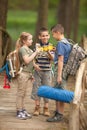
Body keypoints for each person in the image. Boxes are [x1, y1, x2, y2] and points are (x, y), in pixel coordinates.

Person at [46, 24, 72, 122]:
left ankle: (59, 115)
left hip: (60, 70)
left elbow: (61, 60)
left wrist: (59, 76)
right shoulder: (67, 42)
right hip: (66, 70)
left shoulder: (60, 43)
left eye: (53, 34)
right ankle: (58, 113)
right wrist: (56, 51)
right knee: (59, 92)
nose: (53, 36)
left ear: (57, 32)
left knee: (59, 93)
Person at [16, 32, 40, 120]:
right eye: (30, 39)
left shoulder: (29, 49)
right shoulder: (23, 49)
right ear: (24, 41)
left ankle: (23, 109)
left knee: (24, 93)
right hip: (23, 74)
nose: (32, 41)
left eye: (31, 39)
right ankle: (19, 111)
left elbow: (31, 62)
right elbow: (26, 61)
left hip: (28, 74)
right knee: (20, 93)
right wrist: (36, 52)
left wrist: (35, 68)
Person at [31, 27, 54, 116]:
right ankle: (37, 107)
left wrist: (48, 52)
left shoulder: (51, 46)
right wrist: (34, 65)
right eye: (43, 36)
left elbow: (53, 59)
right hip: (37, 71)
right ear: (39, 37)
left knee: (47, 88)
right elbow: (32, 57)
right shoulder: (37, 46)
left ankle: (46, 108)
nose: (45, 37)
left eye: (46, 35)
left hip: (47, 71)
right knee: (36, 88)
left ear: (49, 36)